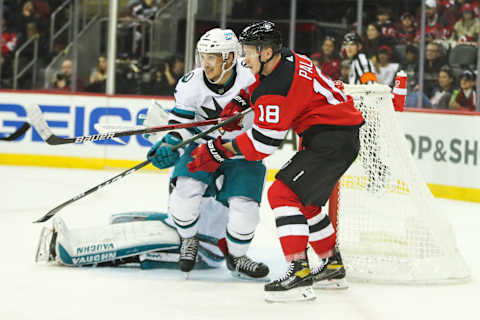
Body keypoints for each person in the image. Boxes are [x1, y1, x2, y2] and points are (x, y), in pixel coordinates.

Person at [186, 21, 364, 302]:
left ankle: (298, 274)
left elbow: (262, 145)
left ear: (267, 52)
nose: (244, 58)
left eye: (249, 52)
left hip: (331, 140)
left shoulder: (278, 90)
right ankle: (332, 267)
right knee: (306, 204)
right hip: (336, 136)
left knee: (281, 193)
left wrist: (216, 150)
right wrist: (243, 101)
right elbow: (261, 84)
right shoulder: (287, 58)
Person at [147, 28, 269, 280]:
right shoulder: (191, 84)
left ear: (229, 59)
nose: (205, 63)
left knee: (246, 211)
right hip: (202, 146)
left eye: (212, 57)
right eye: (203, 56)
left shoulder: (252, 78)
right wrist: (170, 143)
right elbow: (180, 127)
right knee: (183, 196)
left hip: (241, 150)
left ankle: (237, 256)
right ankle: (189, 240)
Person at [35, 191, 230, 271]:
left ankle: (79, 254)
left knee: (140, 248)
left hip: (204, 246)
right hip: (182, 225)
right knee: (120, 221)